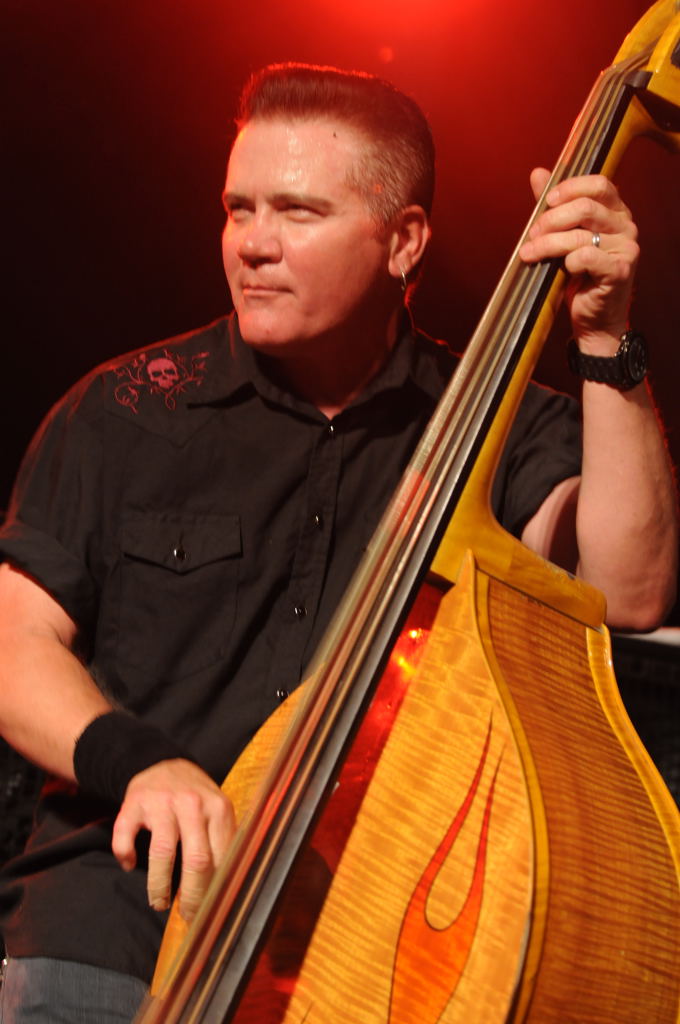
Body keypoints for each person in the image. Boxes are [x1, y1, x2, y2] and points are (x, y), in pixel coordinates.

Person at [0, 63, 676, 1021]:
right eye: (239, 209)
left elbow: (629, 590)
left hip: (348, 954)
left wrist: (607, 339)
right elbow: (13, 642)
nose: (253, 243)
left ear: (404, 241)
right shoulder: (121, 411)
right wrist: (140, 761)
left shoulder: (498, 428)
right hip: (110, 927)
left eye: (298, 212)